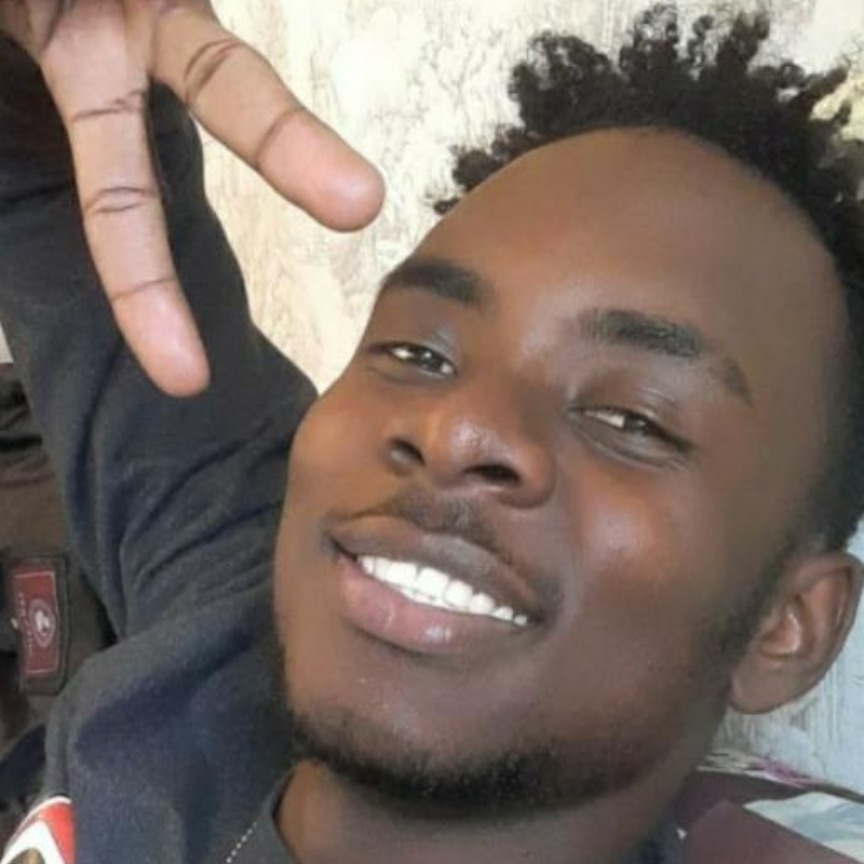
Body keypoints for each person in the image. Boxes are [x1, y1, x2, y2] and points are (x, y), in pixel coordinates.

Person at [0, 1, 862, 862]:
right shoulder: (222, 610)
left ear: (785, 625)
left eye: (629, 418)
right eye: (418, 351)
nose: (458, 428)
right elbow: (44, 154)